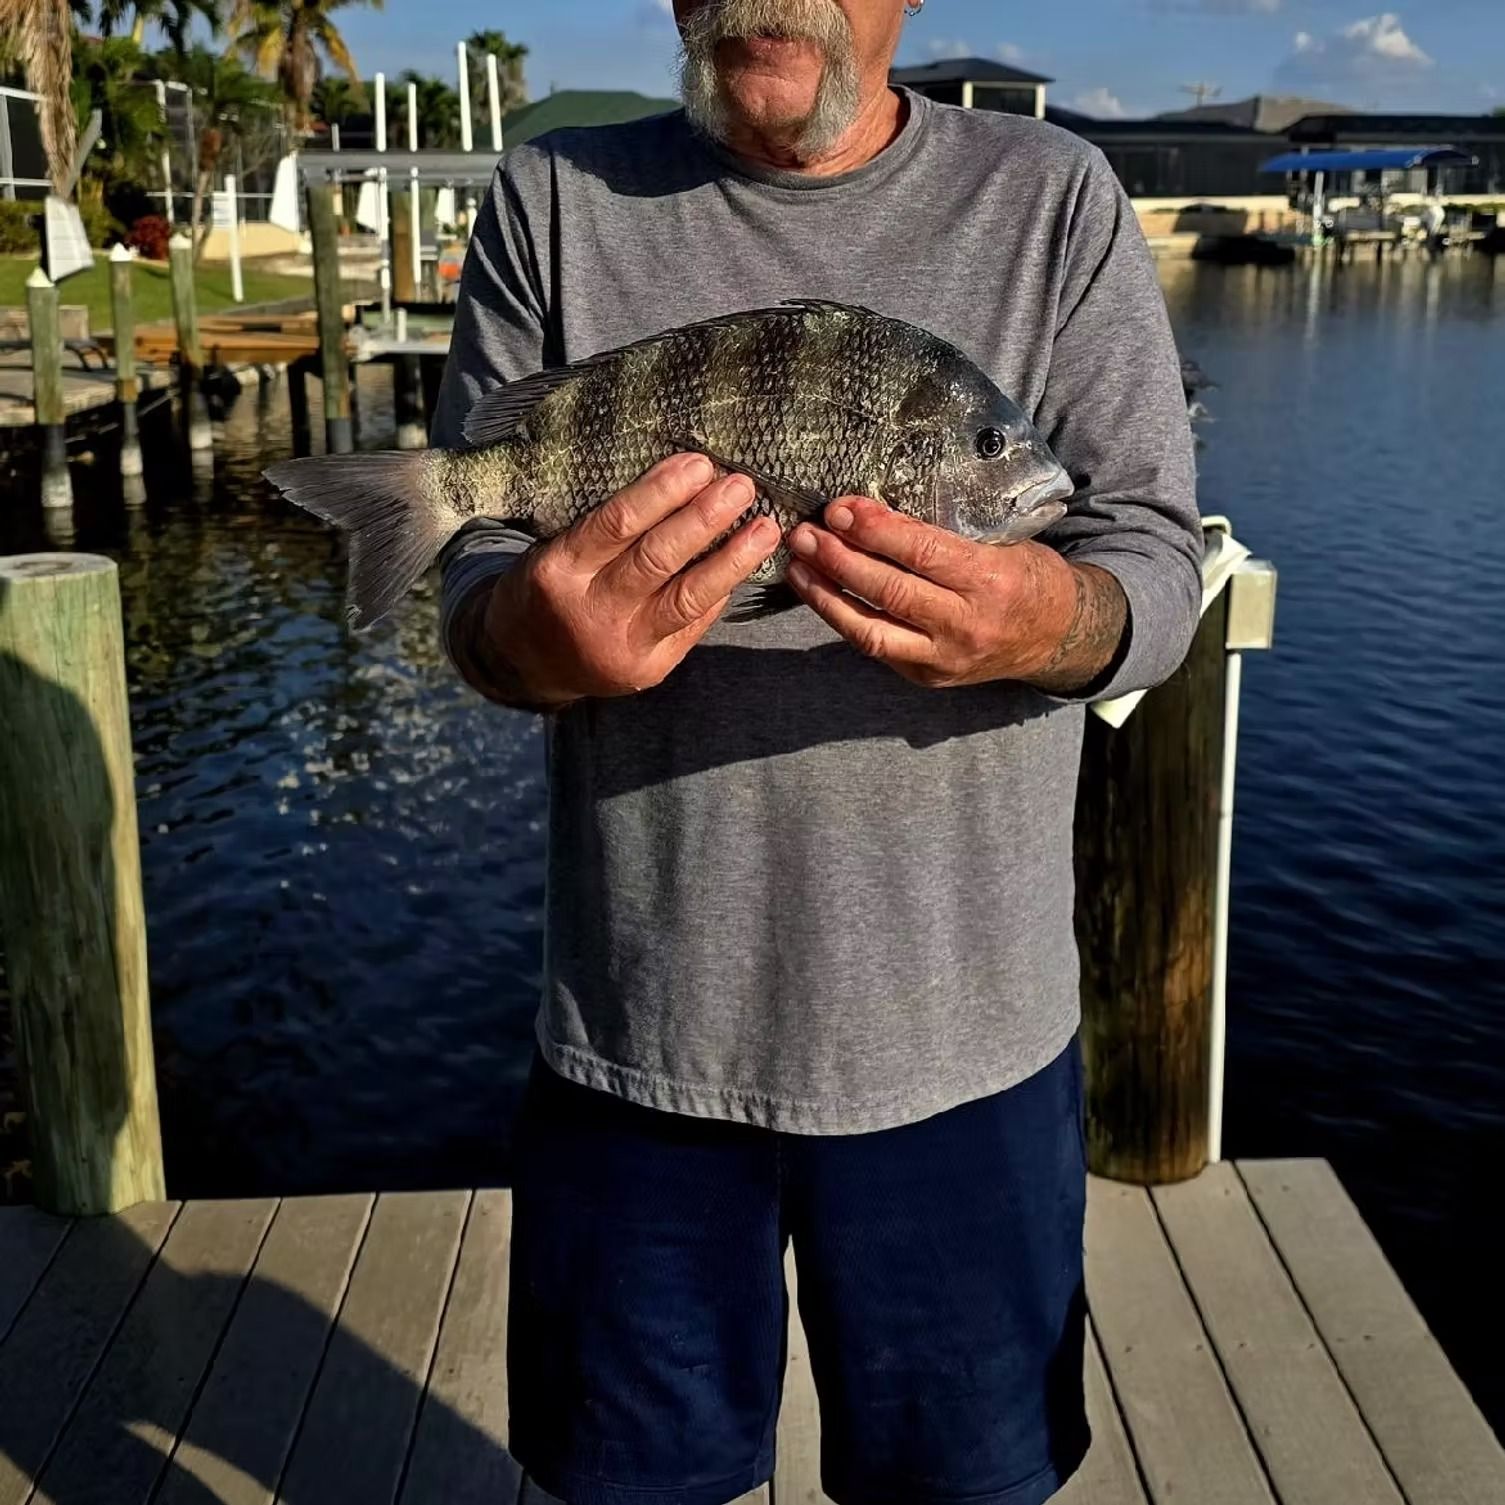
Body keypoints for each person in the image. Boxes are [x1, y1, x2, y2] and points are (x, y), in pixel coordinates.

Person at [433, 3, 1203, 1502]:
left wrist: (1049, 615)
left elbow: (1152, 564)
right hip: (638, 1033)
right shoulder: (549, 198)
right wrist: (533, 638)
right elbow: (471, 572)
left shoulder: (1053, 199)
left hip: (967, 1053)